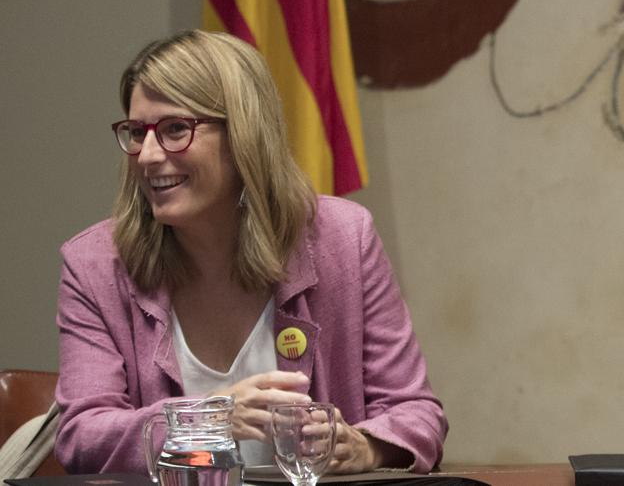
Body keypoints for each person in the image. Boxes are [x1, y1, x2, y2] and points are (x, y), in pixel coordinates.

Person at [55, 30, 448, 474]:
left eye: (174, 129)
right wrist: (208, 420)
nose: (146, 156)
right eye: (136, 132)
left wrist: (365, 448)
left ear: (243, 133)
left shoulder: (342, 239)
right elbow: (82, 436)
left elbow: (416, 413)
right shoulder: (95, 265)